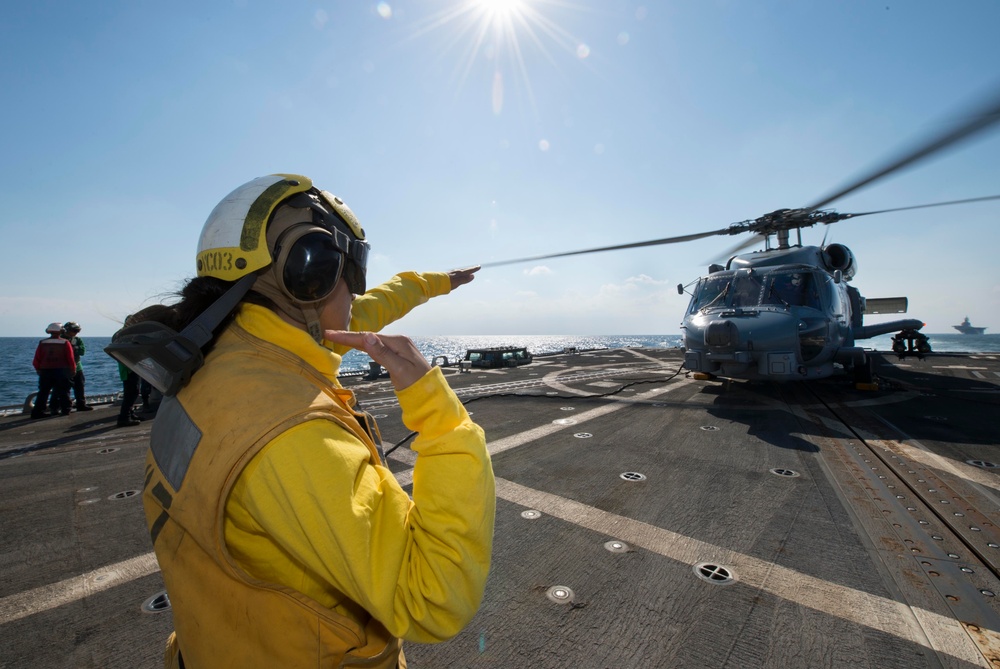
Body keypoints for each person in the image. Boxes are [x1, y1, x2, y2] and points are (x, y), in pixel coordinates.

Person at [133, 174, 494, 668]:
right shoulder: (293, 430)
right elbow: (434, 597)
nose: (359, 301)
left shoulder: (214, 359)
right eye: (353, 272)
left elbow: (374, 305)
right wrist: (439, 412)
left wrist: (440, 282)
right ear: (313, 275)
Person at [30, 322, 76, 418]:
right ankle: (65, 409)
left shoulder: (42, 343)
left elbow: (37, 358)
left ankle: (38, 412)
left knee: (43, 392)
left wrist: (38, 369)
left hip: (45, 371)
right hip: (62, 370)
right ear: (61, 331)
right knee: (63, 391)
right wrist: (73, 369)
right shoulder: (65, 342)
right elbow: (70, 358)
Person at [62, 321, 93, 411]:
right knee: (64, 388)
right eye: (74, 331)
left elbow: (82, 351)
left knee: (79, 386)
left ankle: (81, 404)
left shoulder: (78, 340)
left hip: (77, 366)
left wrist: (75, 348)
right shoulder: (61, 339)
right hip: (65, 368)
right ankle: (65, 407)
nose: (75, 333)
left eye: (77, 331)